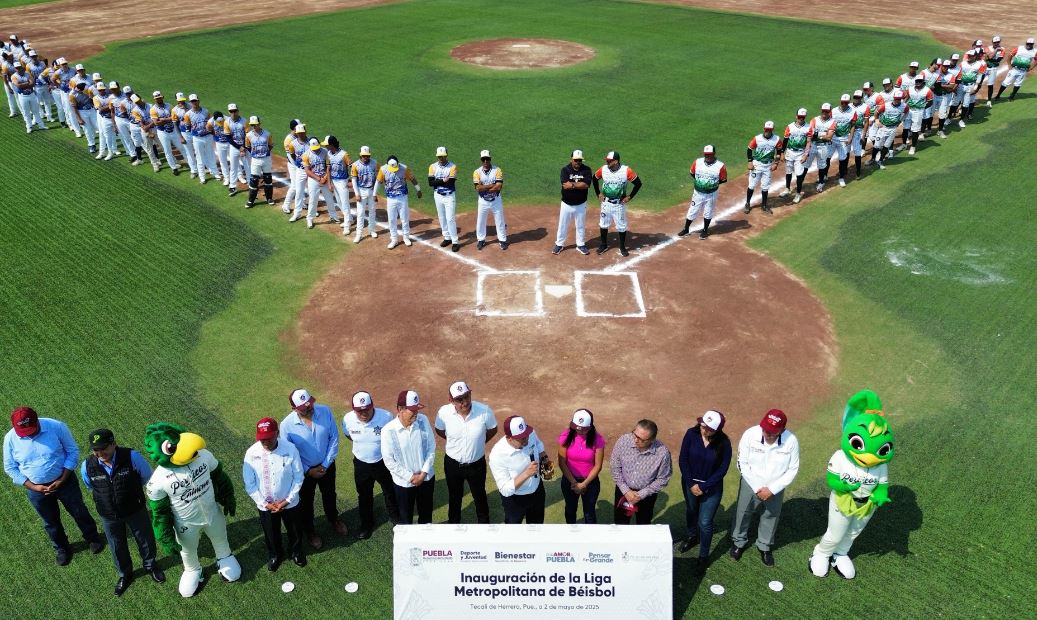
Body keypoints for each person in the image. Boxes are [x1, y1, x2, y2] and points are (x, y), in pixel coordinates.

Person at [3, 407, 105, 566]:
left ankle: (92, 537)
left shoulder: (56, 426)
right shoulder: (10, 439)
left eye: (30, 429)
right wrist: (33, 486)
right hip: (36, 490)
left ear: (37, 421)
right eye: (23, 431)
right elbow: (10, 467)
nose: (28, 434)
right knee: (50, 521)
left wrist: (63, 478)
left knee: (78, 511)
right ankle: (62, 548)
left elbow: (72, 451)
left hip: (65, 481)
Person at [80, 428, 164, 595]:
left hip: (135, 509)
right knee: (116, 545)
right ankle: (125, 574)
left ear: (114, 444)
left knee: (145, 539)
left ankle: (150, 565)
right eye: (95, 449)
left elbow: (147, 477)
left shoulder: (132, 456)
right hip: (108, 514)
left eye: (103, 448)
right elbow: (90, 486)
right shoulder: (87, 465)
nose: (99, 452)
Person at [729, 409, 800, 567]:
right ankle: (738, 542)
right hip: (750, 482)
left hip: (776, 486)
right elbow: (742, 463)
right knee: (743, 512)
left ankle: (764, 546)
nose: (767, 433)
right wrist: (756, 486)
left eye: (772, 431)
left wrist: (773, 489)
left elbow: (793, 469)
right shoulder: (750, 434)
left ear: (782, 430)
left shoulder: (791, 441)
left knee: (771, 515)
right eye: (766, 429)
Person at [280, 387, 347, 548]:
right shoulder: (286, 425)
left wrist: (325, 464)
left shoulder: (325, 411)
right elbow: (289, 453)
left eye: (310, 403)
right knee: (306, 502)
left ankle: (334, 519)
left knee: (329, 494)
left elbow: (334, 438)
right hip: (304, 472)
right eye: (304, 407)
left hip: (327, 466)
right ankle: (310, 531)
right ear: (294, 409)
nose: (309, 407)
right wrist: (308, 470)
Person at [242, 417, 306, 571]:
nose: (265, 442)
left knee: (295, 529)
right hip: (266, 505)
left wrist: (287, 500)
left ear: (277, 433)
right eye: (262, 439)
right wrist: (265, 504)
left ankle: (296, 551)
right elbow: (249, 484)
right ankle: (275, 554)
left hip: (290, 502)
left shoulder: (290, 449)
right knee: (271, 533)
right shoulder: (251, 453)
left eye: (269, 438)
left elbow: (298, 476)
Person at [434, 381, 498, 524]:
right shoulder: (443, 413)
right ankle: (453, 523)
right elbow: (439, 430)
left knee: (479, 495)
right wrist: (455, 441)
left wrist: (478, 442)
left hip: (477, 464)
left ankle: (484, 524)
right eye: (459, 399)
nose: (465, 402)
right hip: (452, 464)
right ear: (451, 400)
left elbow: (493, 429)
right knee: (454, 496)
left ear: (470, 394)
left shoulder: (484, 411)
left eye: (467, 396)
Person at [676, 410, 731, 574]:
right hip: (690, 484)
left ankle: (703, 556)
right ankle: (692, 536)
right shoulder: (691, 434)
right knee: (691, 510)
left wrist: (704, 486)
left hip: (711, 487)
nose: (704, 429)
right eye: (702, 425)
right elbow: (683, 459)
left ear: (717, 430)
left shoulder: (724, 443)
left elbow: (722, 470)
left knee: (705, 522)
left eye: (708, 428)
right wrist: (691, 483)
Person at [341, 390, 400, 539]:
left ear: (372, 405)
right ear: (354, 409)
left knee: (390, 491)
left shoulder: (386, 417)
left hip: (383, 462)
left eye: (366, 409)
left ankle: (395, 519)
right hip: (361, 464)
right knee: (364, 495)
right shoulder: (348, 419)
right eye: (359, 410)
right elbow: (349, 435)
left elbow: (393, 438)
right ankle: (367, 524)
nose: (363, 413)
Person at [381, 390, 436, 524]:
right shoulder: (388, 431)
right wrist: (410, 477)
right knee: (405, 518)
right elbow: (389, 461)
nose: (416, 413)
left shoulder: (423, 420)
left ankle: (425, 542)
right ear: (400, 409)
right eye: (412, 410)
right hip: (404, 483)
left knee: (426, 515)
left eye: (417, 409)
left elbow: (431, 447)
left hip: (426, 479)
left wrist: (423, 474)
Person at [609, 419, 672, 525]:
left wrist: (641, 494)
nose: (635, 440)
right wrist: (626, 491)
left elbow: (663, 478)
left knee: (643, 524)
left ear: (652, 440)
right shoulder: (623, 441)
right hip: (624, 491)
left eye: (641, 439)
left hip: (647, 495)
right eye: (635, 435)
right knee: (621, 523)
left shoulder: (663, 453)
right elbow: (615, 467)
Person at [490, 416, 549, 524]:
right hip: (515, 500)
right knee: (513, 532)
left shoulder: (530, 434)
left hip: (537, 491)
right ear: (509, 438)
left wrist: (543, 455)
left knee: (536, 528)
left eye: (526, 434)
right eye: (522, 438)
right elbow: (505, 490)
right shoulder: (497, 455)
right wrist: (526, 474)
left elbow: (538, 444)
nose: (526, 438)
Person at [557, 409, 605, 524]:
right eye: (577, 429)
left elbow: (598, 465)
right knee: (570, 510)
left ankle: (590, 539)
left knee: (589, 513)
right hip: (569, 480)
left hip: (590, 482)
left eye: (584, 430)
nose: (580, 432)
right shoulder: (565, 435)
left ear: (590, 427)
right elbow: (562, 462)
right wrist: (574, 482)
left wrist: (584, 484)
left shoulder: (598, 439)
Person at [592, 150, 642, 256]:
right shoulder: (603, 169)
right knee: (603, 224)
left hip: (619, 204)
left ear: (616, 161)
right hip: (606, 203)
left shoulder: (626, 171)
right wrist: (598, 193)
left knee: (621, 226)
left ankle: (622, 247)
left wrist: (630, 196)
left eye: (610, 161)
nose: (607, 163)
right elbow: (594, 178)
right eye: (607, 161)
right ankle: (604, 244)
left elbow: (638, 183)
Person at [678, 145, 727, 239]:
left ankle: (705, 230)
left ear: (714, 154)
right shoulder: (697, 162)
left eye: (710, 154)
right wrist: (700, 184)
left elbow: (723, 179)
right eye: (706, 154)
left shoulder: (720, 166)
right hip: (698, 193)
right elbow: (692, 173)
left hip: (711, 194)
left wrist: (711, 185)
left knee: (708, 212)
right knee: (692, 210)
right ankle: (686, 229)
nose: (707, 156)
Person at [376, 154, 422, 248]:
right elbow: (378, 182)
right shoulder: (383, 169)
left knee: (404, 218)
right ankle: (394, 239)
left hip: (402, 197)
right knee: (392, 219)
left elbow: (412, 179)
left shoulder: (404, 168)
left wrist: (418, 189)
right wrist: (374, 194)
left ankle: (406, 237)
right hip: (390, 199)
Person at [554, 149, 593, 255]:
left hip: (581, 204)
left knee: (580, 225)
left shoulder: (587, 170)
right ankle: (559, 244)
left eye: (579, 160)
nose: (578, 162)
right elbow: (565, 185)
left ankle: (580, 245)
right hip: (566, 203)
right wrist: (579, 184)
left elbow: (586, 185)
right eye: (576, 160)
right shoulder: (565, 170)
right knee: (563, 225)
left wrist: (572, 185)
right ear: (571, 159)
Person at [302, 137, 341, 230]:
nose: (316, 150)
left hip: (324, 177)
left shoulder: (325, 152)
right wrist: (318, 178)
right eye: (314, 148)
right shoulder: (306, 155)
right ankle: (310, 218)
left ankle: (333, 216)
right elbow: (307, 170)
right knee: (313, 199)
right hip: (313, 179)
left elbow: (328, 167)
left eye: (317, 147)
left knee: (329, 198)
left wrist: (325, 178)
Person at [473, 149, 508, 251]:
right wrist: (492, 185)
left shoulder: (497, 170)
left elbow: (499, 186)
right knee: (480, 221)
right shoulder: (477, 172)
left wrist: (485, 187)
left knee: (500, 220)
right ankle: (481, 240)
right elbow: (477, 188)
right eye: (483, 159)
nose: (485, 161)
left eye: (487, 159)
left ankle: (502, 240)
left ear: (490, 159)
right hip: (483, 201)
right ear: (481, 160)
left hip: (496, 200)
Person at [744, 121, 781, 214]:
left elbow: (779, 151)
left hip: (768, 166)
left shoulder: (776, 139)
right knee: (752, 185)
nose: (767, 131)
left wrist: (776, 163)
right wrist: (749, 161)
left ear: (772, 130)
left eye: (769, 130)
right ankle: (747, 203)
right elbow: (749, 149)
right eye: (766, 130)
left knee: (765, 187)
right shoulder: (757, 138)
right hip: (757, 165)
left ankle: (764, 205)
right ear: (764, 129)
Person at [428, 146, 460, 251]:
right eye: (439, 156)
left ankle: (455, 241)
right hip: (437, 195)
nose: (441, 158)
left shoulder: (452, 167)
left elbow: (451, 183)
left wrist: (439, 181)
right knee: (441, 217)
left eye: (442, 156)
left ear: (446, 155)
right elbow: (430, 183)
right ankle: (447, 238)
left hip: (449, 196)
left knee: (450, 218)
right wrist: (443, 181)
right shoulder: (432, 166)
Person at [184, 94, 220, 184]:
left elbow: (211, 123)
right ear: (190, 103)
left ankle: (215, 173)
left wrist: (212, 133)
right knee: (200, 157)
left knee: (211, 154)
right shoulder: (187, 114)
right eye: (192, 101)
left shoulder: (206, 111)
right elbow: (188, 128)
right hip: (197, 138)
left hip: (208, 136)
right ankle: (202, 177)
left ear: (198, 101)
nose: (194, 103)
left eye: (195, 101)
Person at [869, 90, 907, 170]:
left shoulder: (904, 106)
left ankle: (880, 161)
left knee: (886, 146)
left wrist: (900, 121)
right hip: (883, 128)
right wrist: (877, 120)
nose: (897, 100)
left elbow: (906, 113)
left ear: (901, 99)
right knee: (876, 146)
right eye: (896, 99)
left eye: (899, 99)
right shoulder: (885, 105)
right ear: (894, 98)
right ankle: (872, 159)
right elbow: (876, 112)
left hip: (892, 129)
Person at [780, 109, 811, 204]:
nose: (801, 119)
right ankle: (787, 189)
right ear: (796, 116)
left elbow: (809, 142)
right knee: (788, 171)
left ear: (805, 117)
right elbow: (785, 141)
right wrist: (782, 153)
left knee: (799, 174)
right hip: (790, 152)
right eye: (799, 117)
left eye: (803, 117)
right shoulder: (790, 127)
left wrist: (806, 155)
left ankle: (798, 194)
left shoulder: (808, 127)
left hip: (800, 153)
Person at [804, 103, 836, 193]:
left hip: (823, 147)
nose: (824, 113)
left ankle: (821, 183)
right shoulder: (814, 120)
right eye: (823, 111)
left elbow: (829, 137)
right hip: (813, 145)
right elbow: (810, 134)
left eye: (827, 111)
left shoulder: (832, 122)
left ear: (830, 112)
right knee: (806, 164)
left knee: (822, 165)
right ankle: (801, 180)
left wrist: (818, 135)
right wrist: (823, 135)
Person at [243, 115, 275, 207]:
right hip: (255, 160)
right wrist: (255, 153)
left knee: (268, 179)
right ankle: (251, 201)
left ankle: (269, 198)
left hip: (266, 159)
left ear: (259, 124)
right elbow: (248, 147)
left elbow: (270, 145)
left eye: (255, 124)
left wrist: (264, 152)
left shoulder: (267, 134)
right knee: (254, 180)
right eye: (252, 125)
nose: (254, 127)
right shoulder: (248, 135)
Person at [324, 136, 353, 234]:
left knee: (345, 204)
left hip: (342, 182)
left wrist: (351, 181)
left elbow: (352, 167)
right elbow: (328, 169)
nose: (325, 146)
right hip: (334, 181)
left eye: (327, 144)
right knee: (339, 202)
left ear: (331, 145)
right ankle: (350, 220)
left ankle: (347, 226)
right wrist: (329, 183)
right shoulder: (328, 154)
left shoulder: (344, 154)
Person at [350, 145, 379, 242]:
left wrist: (375, 193)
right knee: (360, 213)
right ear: (360, 155)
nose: (366, 157)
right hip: (361, 191)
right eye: (364, 156)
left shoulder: (375, 163)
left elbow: (378, 179)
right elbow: (353, 180)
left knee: (372, 211)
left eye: (367, 156)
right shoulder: (355, 165)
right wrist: (357, 194)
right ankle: (359, 234)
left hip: (371, 191)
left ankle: (372, 230)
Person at [127, 94, 162, 172]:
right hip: (146, 131)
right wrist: (149, 133)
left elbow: (155, 119)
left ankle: (172, 162)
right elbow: (142, 125)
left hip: (155, 129)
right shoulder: (135, 111)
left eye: (138, 100)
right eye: (136, 102)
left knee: (163, 146)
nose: (138, 102)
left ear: (140, 98)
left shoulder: (150, 106)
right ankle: (154, 164)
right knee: (149, 149)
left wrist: (149, 127)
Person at [995, 38, 1035, 102]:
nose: (1029, 45)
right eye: (1028, 43)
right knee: (1006, 82)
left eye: (1031, 44)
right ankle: (998, 95)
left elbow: (1036, 59)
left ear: (1033, 44)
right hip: (1014, 69)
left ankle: (1012, 96)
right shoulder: (1019, 48)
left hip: (1023, 71)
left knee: (1018, 84)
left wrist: (1031, 67)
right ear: (1026, 43)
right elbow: (1010, 55)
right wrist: (1009, 64)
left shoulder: (1035, 51)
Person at [831, 95, 859, 187]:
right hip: (833, 138)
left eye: (846, 102)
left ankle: (841, 177)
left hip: (844, 139)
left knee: (843, 159)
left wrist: (850, 137)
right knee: (827, 157)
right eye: (842, 102)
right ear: (840, 101)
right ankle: (823, 177)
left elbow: (853, 125)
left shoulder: (852, 112)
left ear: (848, 102)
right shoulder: (833, 111)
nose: (844, 104)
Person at [904, 75, 934, 155]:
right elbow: (906, 98)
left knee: (915, 130)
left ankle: (913, 147)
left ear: (923, 82)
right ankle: (904, 144)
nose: (918, 83)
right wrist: (903, 106)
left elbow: (930, 102)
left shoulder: (927, 90)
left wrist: (923, 107)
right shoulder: (910, 89)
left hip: (918, 112)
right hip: (909, 110)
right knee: (906, 127)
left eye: (920, 81)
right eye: (917, 81)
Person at [223, 103, 248, 196]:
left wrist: (244, 147)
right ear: (229, 112)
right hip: (234, 148)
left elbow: (247, 136)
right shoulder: (227, 122)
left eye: (234, 111)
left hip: (245, 147)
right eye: (231, 111)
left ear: (237, 111)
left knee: (248, 166)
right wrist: (239, 147)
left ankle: (251, 184)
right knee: (233, 167)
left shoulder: (244, 121)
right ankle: (232, 186)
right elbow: (228, 138)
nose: (233, 113)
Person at [69, 81, 97, 154]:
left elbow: (92, 100)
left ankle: (105, 142)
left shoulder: (88, 91)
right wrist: (79, 119)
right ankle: (91, 145)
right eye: (85, 89)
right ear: (80, 89)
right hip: (82, 112)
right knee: (87, 129)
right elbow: (74, 108)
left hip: (91, 110)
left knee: (98, 126)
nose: (86, 90)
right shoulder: (72, 95)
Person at [985, 36, 1006, 106]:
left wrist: (990, 58)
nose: (996, 43)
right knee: (977, 82)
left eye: (998, 42)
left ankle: (989, 101)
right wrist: (996, 50)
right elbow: (989, 57)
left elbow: (998, 60)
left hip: (993, 69)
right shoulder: (988, 48)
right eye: (995, 42)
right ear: (992, 42)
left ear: (999, 42)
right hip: (984, 68)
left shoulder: (1003, 49)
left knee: (990, 85)